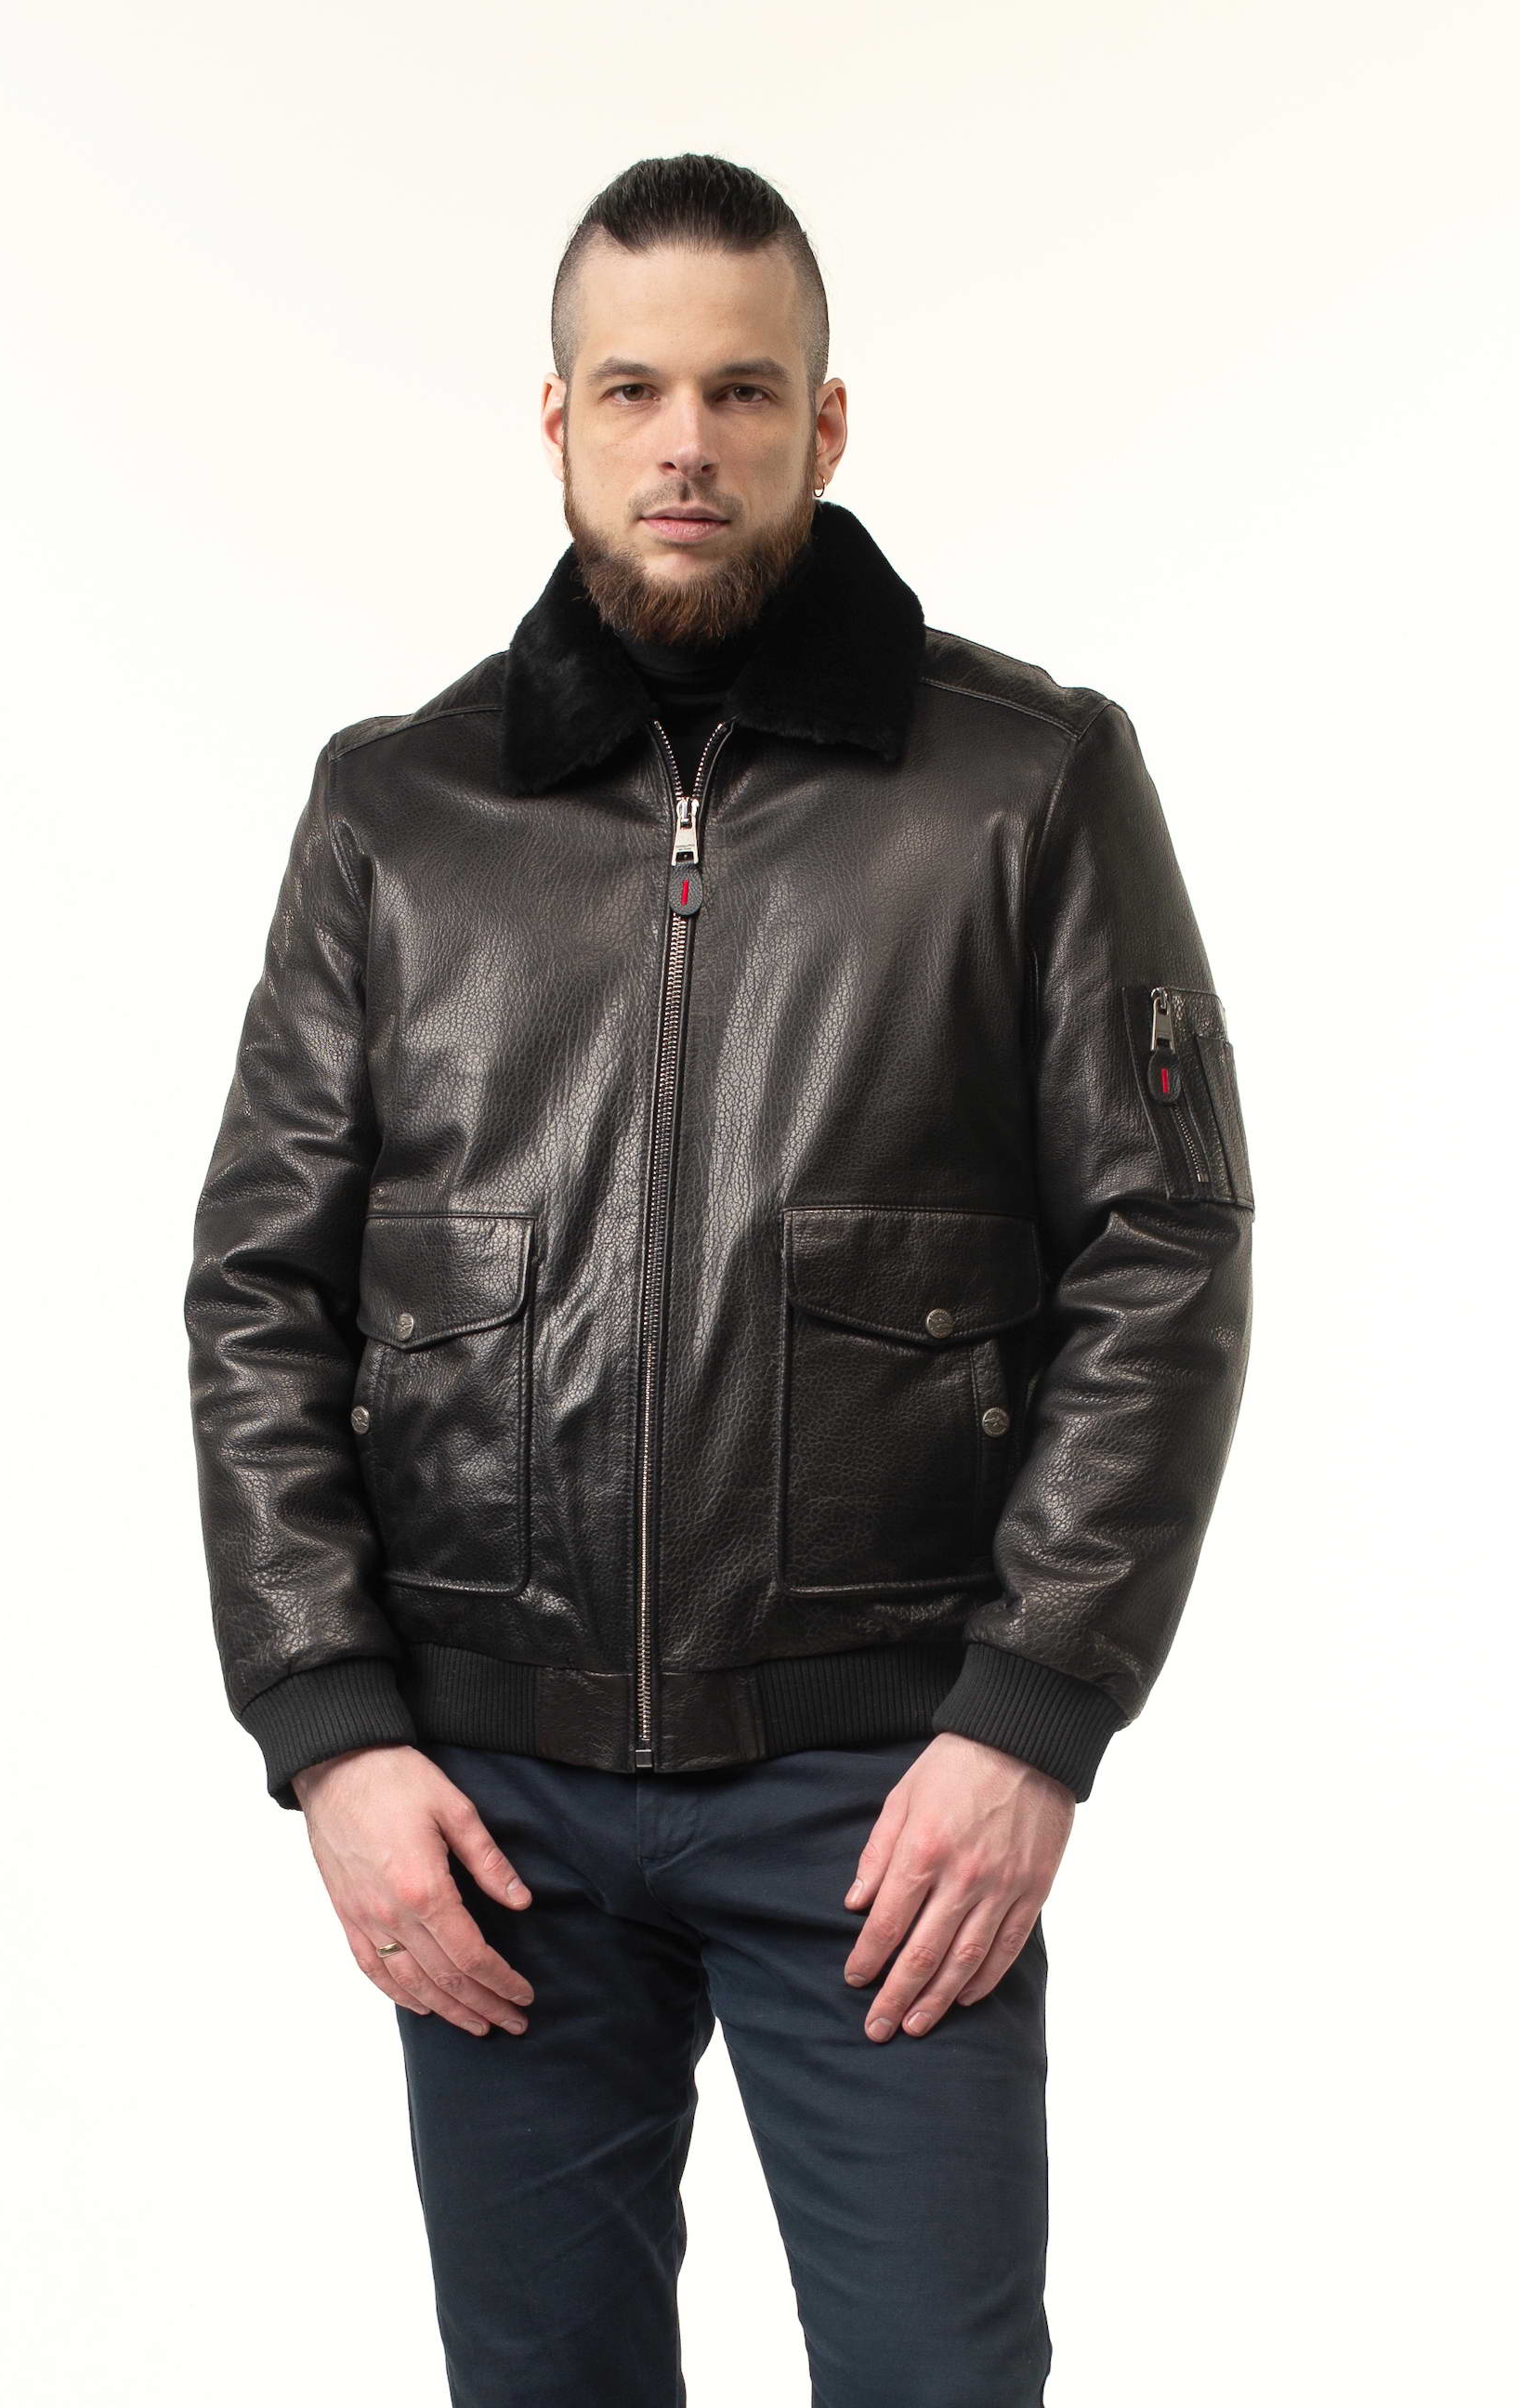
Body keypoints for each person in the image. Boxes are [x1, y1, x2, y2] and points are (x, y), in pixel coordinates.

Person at [183, 151, 1255, 2406]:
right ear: (556, 419)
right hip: (490, 1796)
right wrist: (332, 1731)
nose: (688, 442)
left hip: (886, 1792)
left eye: (743, 391)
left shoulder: (1029, 784)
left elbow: (1165, 1249)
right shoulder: (396, 813)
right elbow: (263, 1288)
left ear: (825, 423)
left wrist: (1033, 1712)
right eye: (636, 389)